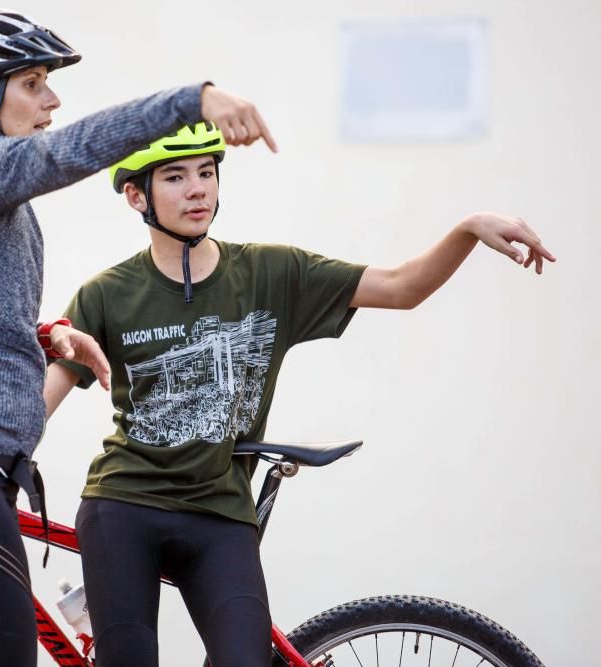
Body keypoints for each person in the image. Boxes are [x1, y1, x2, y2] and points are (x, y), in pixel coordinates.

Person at [43, 122, 555, 667]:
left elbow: (403, 287)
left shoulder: (271, 273)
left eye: (207, 173)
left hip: (218, 511)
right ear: (136, 195)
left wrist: (468, 229)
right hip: (124, 506)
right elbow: (41, 403)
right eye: (175, 176)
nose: (197, 189)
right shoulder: (105, 295)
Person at [0, 9, 277, 667]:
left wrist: (44, 336)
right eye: (31, 83)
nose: (51, 99)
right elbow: (71, 149)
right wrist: (194, 100)